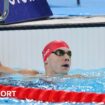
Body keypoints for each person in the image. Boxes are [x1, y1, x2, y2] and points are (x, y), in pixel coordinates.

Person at [0, 40, 83, 78]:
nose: (67, 58)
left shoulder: (77, 78)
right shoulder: (32, 74)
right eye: (59, 53)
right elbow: (3, 69)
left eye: (69, 54)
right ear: (46, 59)